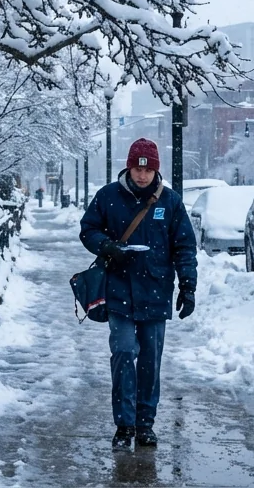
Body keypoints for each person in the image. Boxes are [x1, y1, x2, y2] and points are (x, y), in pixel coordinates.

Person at [79, 137, 198, 451]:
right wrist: (108, 246)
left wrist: (188, 286)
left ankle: (145, 424)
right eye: (137, 168)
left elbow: (185, 247)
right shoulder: (108, 197)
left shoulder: (170, 202)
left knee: (150, 361)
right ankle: (124, 423)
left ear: (156, 170)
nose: (142, 175)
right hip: (118, 291)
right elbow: (88, 228)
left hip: (156, 292)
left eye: (148, 169)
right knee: (123, 352)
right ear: (129, 166)